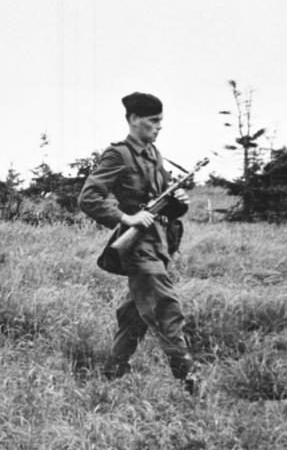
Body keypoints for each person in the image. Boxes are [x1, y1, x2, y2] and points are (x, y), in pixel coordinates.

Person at [78, 92, 199, 395]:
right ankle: (191, 384)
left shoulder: (153, 154)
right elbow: (88, 197)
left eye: (161, 120)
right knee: (166, 308)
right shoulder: (118, 155)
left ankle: (111, 375)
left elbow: (164, 202)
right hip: (137, 247)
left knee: (134, 314)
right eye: (153, 120)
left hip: (158, 243)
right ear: (134, 120)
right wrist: (126, 218)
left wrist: (179, 202)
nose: (159, 126)